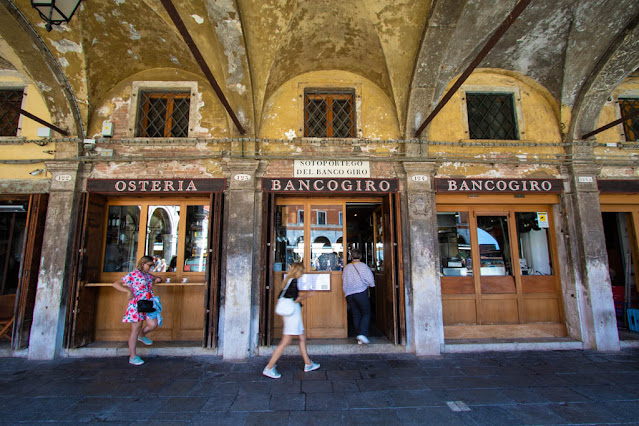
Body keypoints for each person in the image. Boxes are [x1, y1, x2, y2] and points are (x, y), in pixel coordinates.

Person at [263, 262, 320, 379]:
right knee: (286, 341)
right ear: (298, 271)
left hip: (292, 314)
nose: (303, 274)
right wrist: (308, 295)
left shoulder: (287, 281)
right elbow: (295, 299)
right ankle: (269, 367)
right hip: (292, 315)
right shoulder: (293, 282)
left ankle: (308, 363)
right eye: (302, 271)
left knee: (302, 336)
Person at [113, 255, 162, 365]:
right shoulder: (133, 274)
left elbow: (153, 277)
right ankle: (133, 356)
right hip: (136, 304)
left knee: (153, 324)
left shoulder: (147, 275)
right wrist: (128, 291)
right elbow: (116, 284)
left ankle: (142, 335)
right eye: (149, 265)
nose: (150, 267)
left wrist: (158, 279)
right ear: (142, 263)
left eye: (152, 266)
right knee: (135, 329)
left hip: (148, 303)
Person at [342, 248, 375, 344]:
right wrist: (371, 285)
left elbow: (344, 281)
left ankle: (359, 336)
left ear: (351, 256)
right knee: (366, 313)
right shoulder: (363, 266)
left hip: (349, 294)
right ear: (360, 256)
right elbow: (370, 280)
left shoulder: (346, 267)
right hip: (360, 292)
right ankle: (362, 334)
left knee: (356, 314)